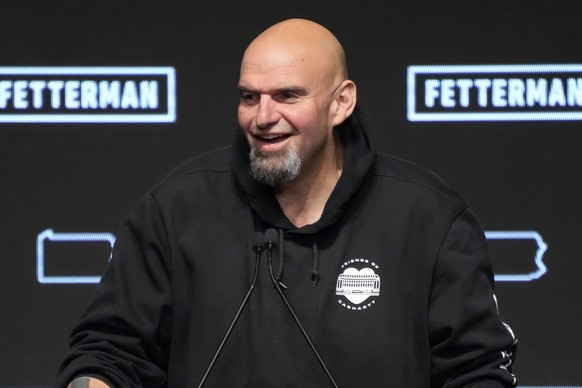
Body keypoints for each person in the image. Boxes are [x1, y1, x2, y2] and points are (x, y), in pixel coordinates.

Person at [55, 18, 517, 387]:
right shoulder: (177, 210)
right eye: (249, 97)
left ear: (341, 103)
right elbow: (110, 350)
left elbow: (476, 370)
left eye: (287, 96)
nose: (263, 117)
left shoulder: (429, 219)